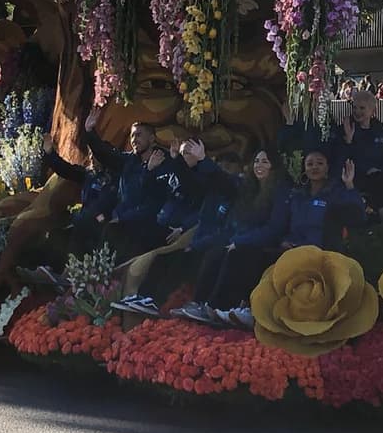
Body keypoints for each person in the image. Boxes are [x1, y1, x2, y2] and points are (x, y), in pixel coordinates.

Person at [169, 147, 293, 325]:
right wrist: (202, 160)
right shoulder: (248, 189)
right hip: (242, 240)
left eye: (265, 161)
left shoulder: (281, 191)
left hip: (265, 245)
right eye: (256, 161)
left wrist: (239, 241)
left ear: (274, 166)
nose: (259, 165)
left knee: (234, 253)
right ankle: (199, 304)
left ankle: (217, 306)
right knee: (215, 252)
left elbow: (274, 229)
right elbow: (222, 180)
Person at [82, 110, 183, 260]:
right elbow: (105, 153)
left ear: (152, 138)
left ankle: (101, 275)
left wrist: (123, 218)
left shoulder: (165, 161)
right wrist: (90, 132)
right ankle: (75, 272)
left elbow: (152, 201)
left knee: (114, 231)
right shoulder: (129, 160)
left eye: (139, 135)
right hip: (122, 217)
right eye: (132, 136)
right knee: (86, 222)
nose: (134, 140)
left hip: (148, 222)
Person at [336, 89, 383, 222]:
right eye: (355, 108)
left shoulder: (382, 130)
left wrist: (381, 169)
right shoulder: (347, 129)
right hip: (360, 175)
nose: (357, 112)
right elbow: (346, 158)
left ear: (372, 111)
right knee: (381, 182)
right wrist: (348, 140)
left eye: (362, 108)